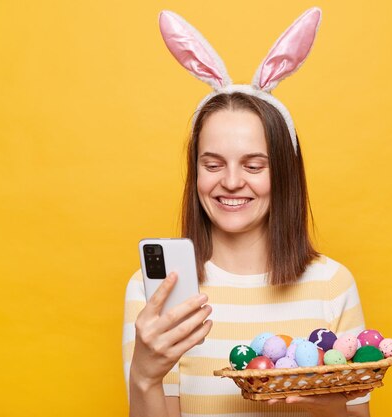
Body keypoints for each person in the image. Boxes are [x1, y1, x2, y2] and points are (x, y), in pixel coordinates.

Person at [123, 8, 372, 417]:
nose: (232, 182)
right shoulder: (156, 295)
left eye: (254, 166)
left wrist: (328, 405)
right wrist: (145, 378)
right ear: (195, 170)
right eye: (213, 164)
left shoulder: (333, 284)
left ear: (285, 173)